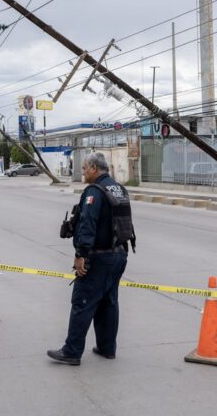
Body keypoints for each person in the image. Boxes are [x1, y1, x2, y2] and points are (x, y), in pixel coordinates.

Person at [48, 152, 132, 365]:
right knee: (108, 302)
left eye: (85, 168)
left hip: (100, 257)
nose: (83, 172)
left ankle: (72, 351)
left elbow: (87, 223)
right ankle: (107, 348)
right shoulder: (119, 189)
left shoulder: (94, 191)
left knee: (82, 302)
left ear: (94, 168)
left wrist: (81, 255)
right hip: (120, 254)